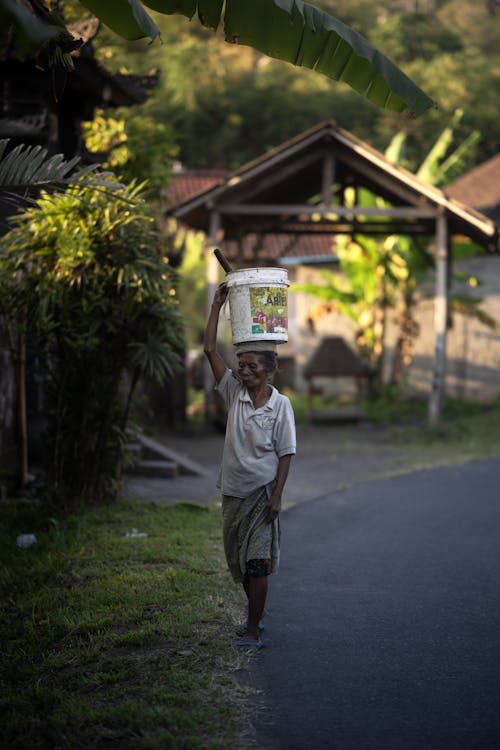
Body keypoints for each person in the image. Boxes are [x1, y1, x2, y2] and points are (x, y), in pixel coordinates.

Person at [204, 282, 296, 648]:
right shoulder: (233, 394)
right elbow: (210, 348)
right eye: (241, 366)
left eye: (251, 366)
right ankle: (256, 613)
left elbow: (286, 451)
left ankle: (253, 628)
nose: (244, 371)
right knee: (240, 564)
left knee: (256, 562)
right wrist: (216, 306)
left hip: (261, 493)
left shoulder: (281, 405)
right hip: (233, 492)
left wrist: (277, 496)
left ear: (269, 370)